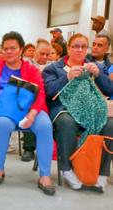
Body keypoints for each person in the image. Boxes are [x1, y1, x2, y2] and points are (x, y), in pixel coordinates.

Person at [0, 31, 55, 196]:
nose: (8, 52)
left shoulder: (32, 69)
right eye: (5, 48)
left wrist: (33, 114)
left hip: (29, 109)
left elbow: (40, 93)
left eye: (13, 48)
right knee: (1, 124)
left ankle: (45, 175)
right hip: (4, 110)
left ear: (21, 49)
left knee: (44, 125)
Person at [42, 33, 113, 192]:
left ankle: (102, 173)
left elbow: (110, 89)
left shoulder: (95, 66)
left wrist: (99, 75)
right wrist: (66, 77)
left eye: (83, 47)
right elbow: (47, 91)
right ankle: (67, 169)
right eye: (75, 46)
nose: (79, 50)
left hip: (91, 111)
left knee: (110, 124)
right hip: (64, 109)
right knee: (66, 121)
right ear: (68, 48)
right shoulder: (53, 68)